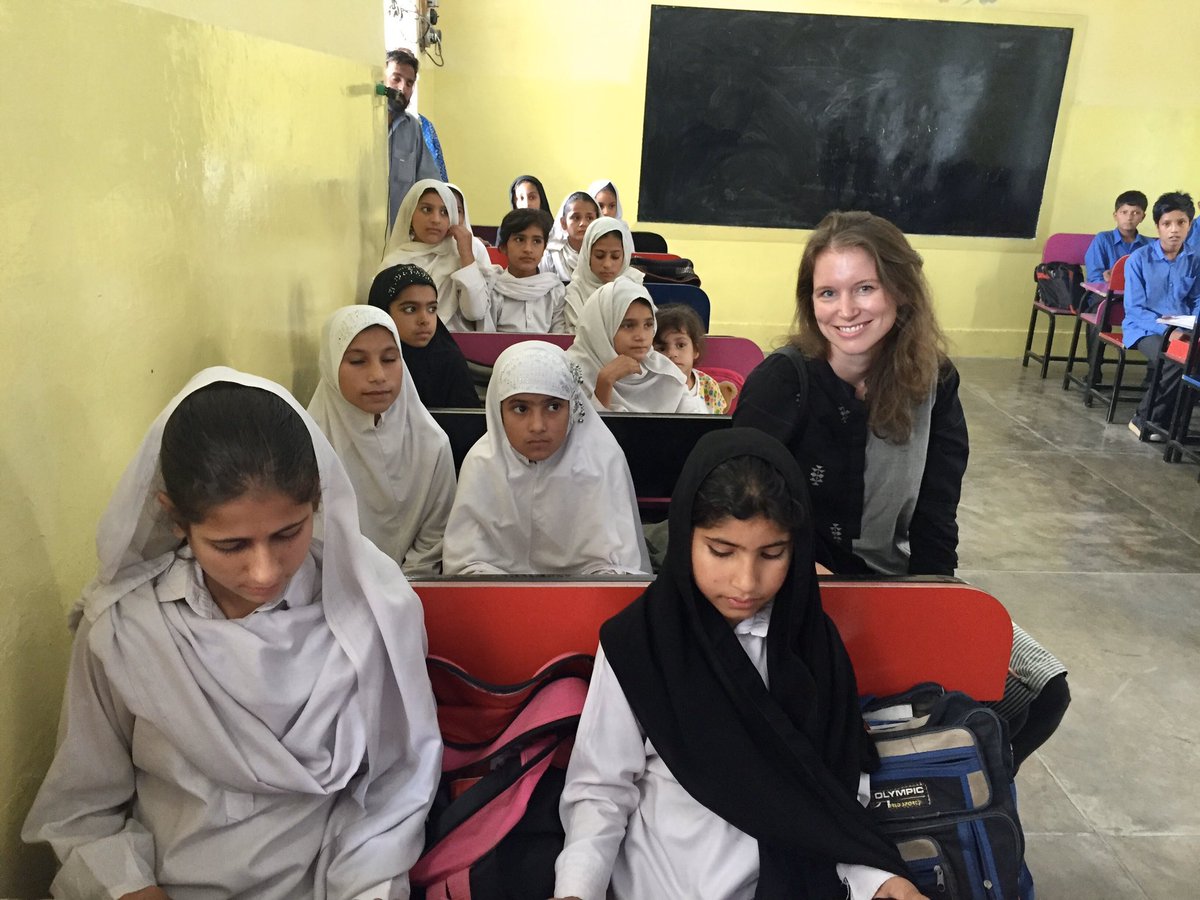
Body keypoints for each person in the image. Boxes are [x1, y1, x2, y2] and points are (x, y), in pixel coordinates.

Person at [23, 367, 441, 900]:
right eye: (231, 545)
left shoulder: (374, 610)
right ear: (176, 519)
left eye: (288, 533)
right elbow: (83, 810)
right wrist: (133, 888)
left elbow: (394, 788)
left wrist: (362, 890)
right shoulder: (128, 629)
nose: (264, 572)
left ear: (318, 499)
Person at [734, 209, 1067, 770]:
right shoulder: (784, 379)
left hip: (896, 582)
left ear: (901, 291)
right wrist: (803, 571)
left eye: (865, 288)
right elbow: (733, 506)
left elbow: (937, 516)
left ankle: (938, 788)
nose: (845, 310)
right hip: (794, 586)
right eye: (828, 292)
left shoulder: (935, 381)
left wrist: (935, 608)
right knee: (833, 712)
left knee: (1039, 691)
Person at [552, 430, 927, 900]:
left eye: (772, 554)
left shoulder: (813, 645)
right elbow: (601, 790)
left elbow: (833, 794)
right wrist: (577, 889)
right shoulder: (639, 646)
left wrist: (877, 880)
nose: (746, 582)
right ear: (685, 537)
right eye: (721, 551)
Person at [442, 341, 650, 576]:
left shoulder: (601, 461)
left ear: (572, 407)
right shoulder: (482, 463)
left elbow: (617, 569)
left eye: (553, 407)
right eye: (521, 409)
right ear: (498, 412)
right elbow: (465, 567)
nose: (538, 426)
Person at [307, 306, 457, 576]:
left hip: (417, 587)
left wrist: (403, 589)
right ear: (330, 366)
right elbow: (311, 546)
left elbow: (434, 540)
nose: (377, 375)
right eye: (357, 361)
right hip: (331, 587)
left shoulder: (432, 444)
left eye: (389, 359)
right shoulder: (307, 450)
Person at [1122, 190, 1200, 439]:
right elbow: (1135, 309)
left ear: (1190, 225)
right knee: (1174, 358)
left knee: (1193, 358)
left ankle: (1174, 422)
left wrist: (1194, 325)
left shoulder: (1195, 259)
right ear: (1158, 226)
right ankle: (1144, 418)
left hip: (1184, 328)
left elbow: (1197, 300)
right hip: (1144, 329)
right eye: (1167, 224)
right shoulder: (1138, 259)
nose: (1174, 230)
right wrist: (1169, 331)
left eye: (1181, 222)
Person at [567, 280, 707, 414]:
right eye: (628, 325)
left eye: (648, 325)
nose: (641, 336)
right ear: (602, 327)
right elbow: (577, 428)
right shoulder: (570, 372)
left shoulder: (666, 374)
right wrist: (605, 383)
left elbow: (698, 424)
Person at [380, 179, 492, 332]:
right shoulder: (394, 263)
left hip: (459, 342)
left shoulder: (460, 255)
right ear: (410, 213)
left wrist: (466, 254)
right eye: (426, 210)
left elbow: (475, 312)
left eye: (445, 212)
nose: (435, 220)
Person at [368, 262, 481, 408]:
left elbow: (467, 419)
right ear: (383, 312)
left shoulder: (448, 360)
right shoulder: (366, 361)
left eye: (432, 309)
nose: (424, 320)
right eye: (410, 309)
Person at [384, 48, 440, 234]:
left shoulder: (413, 129)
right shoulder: (361, 123)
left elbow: (431, 185)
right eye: (396, 79)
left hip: (400, 238)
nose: (403, 89)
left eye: (409, 83)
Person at [487, 208, 567, 332]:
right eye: (519, 239)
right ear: (503, 247)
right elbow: (486, 338)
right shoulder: (493, 290)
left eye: (536, 241)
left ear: (544, 249)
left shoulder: (554, 291)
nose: (528, 249)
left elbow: (559, 337)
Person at [562, 217, 644, 332]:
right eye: (599, 256)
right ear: (587, 255)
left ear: (624, 256)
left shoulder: (635, 286)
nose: (607, 264)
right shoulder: (575, 292)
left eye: (615, 256)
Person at [654, 303, 727, 413]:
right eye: (661, 348)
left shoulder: (708, 385)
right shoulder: (649, 386)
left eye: (681, 345)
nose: (672, 353)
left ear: (695, 350)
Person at [1084, 189, 1150, 283]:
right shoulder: (1103, 239)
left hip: (1138, 291)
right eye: (1124, 212)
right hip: (1106, 291)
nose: (1129, 218)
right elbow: (1094, 277)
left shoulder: (1149, 245)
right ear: (1115, 215)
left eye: (1135, 213)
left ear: (1142, 217)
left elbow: (1154, 276)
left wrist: (1115, 280)